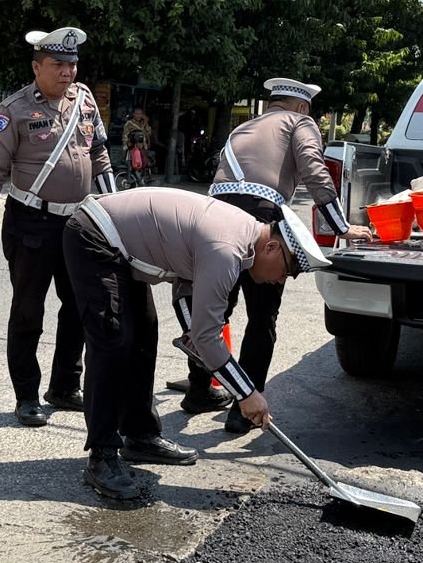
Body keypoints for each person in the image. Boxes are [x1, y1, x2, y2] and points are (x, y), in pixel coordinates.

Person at [62, 187, 330, 501]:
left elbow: (186, 290)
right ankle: (102, 455)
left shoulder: (240, 237)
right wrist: (246, 393)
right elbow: (207, 335)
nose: (281, 280)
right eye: (287, 271)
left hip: (121, 244)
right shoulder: (227, 249)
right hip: (95, 235)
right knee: (112, 339)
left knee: (144, 336)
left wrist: (194, 332)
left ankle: (140, 435)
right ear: (272, 247)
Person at [172, 78, 372, 428]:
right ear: (303, 107)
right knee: (262, 317)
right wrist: (341, 226)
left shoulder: (243, 128)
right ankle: (242, 410)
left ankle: (199, 390)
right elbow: (314, 169)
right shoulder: (300, 122)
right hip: (261, 217)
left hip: (215, 215)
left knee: (212, 308)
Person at [0, 27, 116, 427]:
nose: (67, 72)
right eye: (58, 64)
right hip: (31, 222)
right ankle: (27, 396)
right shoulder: (12, 111)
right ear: (37, 67)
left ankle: (64, 386)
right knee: (28, 310)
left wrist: (117, 213)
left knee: (80, 306)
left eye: (72, 64)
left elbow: (99, 155)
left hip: (78, 222)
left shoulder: (84, 101)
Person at [122, 107, 155, 175]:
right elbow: (125, 135)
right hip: (133, 148)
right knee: (135, 164)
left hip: (143, 147)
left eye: (140, 114)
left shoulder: (143, 123)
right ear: (133, 114)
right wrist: (125, 145)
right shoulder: (129, 123)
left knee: (145, 163)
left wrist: (146, 121)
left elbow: (149, 132)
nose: (138, 116)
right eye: (137, 114)